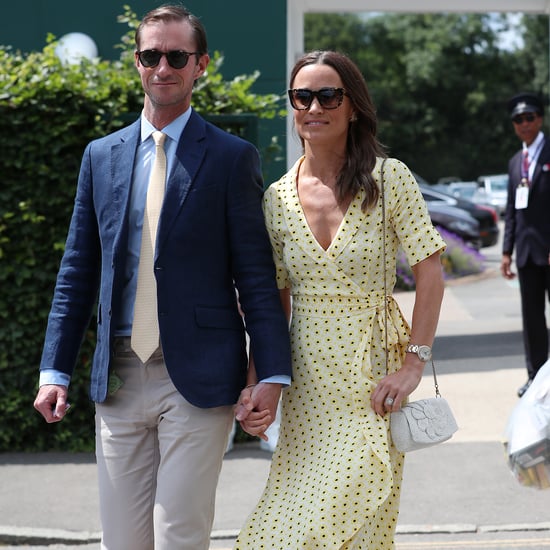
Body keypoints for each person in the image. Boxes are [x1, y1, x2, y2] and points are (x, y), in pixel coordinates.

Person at [32, 5, 291, 550]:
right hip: (118, 374)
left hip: (196, 378)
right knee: (122, 541)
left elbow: (256, 279)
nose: (163, 67)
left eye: (177, 56)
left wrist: (270, 374)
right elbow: (77, 270)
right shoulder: (100, 156)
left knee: (179, 535)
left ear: (200, 65)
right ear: (137, 63)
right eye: (152, 55)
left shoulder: (230, 158)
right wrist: (54, 370)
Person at [234, 50, 445, 549]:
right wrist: (258, 383)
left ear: (353, 106)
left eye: (328, 95)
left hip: (375, 375)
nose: (314, 106)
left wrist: (414, 365)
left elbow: (430, 271)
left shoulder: (390, 178)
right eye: (301, 96)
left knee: (357, 517)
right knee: (277, 531)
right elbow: (274, 304)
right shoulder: (278, 197)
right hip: (307, 385)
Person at [501, 92, 550, 398]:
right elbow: (512, 209)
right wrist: (506, 252)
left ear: (540, 119)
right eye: (518, 120)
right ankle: (537, 378)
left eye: (529, 117)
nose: (524, 124)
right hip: (527, 253)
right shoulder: (515, 162)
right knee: (532, 319)